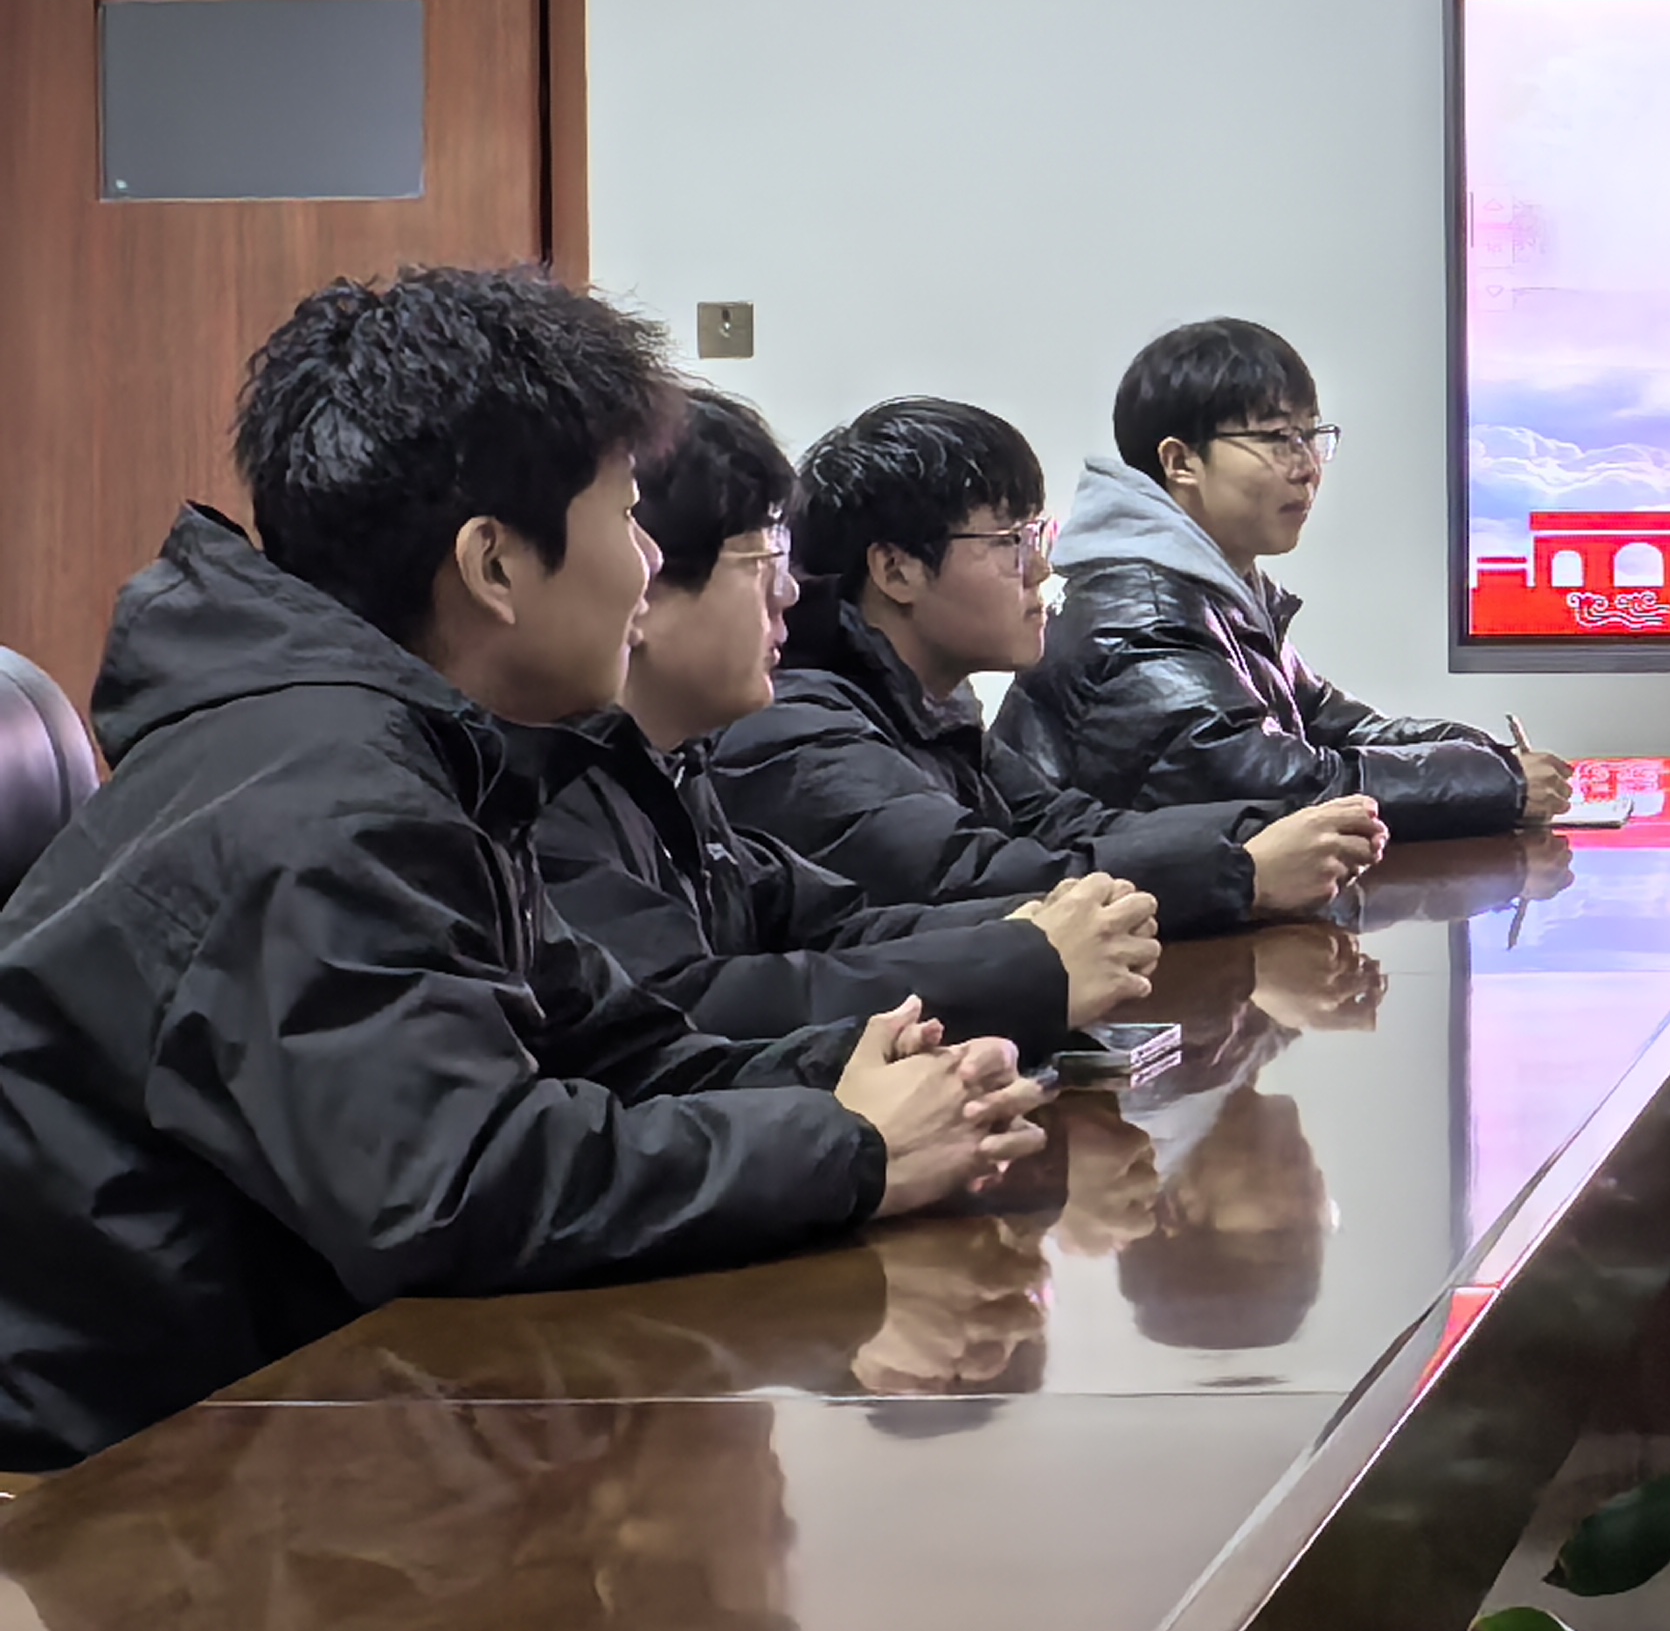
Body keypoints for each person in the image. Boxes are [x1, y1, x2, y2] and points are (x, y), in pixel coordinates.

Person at [0, 268, 1040, 1472]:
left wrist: (853, 1076)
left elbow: (600, 1047)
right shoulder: (322, 796)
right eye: (629, 517)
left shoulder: (411, 750)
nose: (647, 563)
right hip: (131, 1490)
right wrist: (847, 1147)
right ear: (493, 565)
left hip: (313, 1420)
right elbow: (459, 1187)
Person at [532, 387, 1160, 1054]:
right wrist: (1027, 960)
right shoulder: (566, 789)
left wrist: (1044, 926)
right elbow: (691, 1002)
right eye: (761, 559)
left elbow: (835, 922)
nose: (788, 591)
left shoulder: (669, 765)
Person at [709, 395, 1377, 933]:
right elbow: (974, 876)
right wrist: (1241, 873)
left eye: (1039, 534)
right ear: (896, 569)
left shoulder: (932, 704)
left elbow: (1070, 824)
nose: (1042, 568)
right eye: (1012, 541)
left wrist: (1263, 834)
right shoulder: (800, 731)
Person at [998, 317, 1562, 834]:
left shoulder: (1216, 586)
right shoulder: (1140, 613)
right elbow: (1278, 786)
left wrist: (1483, 754)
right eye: (1276, 439)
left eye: (1310, 436)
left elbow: (1333, 725)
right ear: (1180, 462)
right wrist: (1499, 783)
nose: (1306, 467)